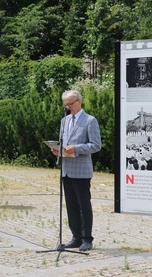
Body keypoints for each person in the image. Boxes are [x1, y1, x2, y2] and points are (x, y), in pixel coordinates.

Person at [51, 90, 101, 251]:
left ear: (79, 101)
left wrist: (76, 148)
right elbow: (63, 142)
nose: (68, 107)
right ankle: (76, 237)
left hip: (81, 170)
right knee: (71, 205)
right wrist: (59, 150)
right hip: (66, 169)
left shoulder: (90, 121)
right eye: (66, 104)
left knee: (83, 205)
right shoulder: (64, 121)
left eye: (70, 104)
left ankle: (87, 238)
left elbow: (95, 145)